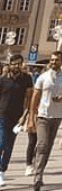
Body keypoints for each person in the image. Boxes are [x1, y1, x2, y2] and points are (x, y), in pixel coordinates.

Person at [27, 50, 62, 191]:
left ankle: (39, 167)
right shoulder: (43, 77)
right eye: (52, 60)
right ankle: (38, 176)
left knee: (48, 147)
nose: (53, 62)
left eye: (56, 60)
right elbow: (35, 97)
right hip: (42, 115)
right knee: (42, 145)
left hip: (57, 116)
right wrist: (31, 117)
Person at [0, 51, 34, 186]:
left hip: (17, 119)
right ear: (10, 65)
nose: (17, 66)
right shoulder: (2, 80)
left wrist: (24, 116)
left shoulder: (26, 79)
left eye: (19, 64)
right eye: (14, 64)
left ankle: (2, 172)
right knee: (1, 143)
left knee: (9, 147)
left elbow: (29, 99)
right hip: (2, 116)